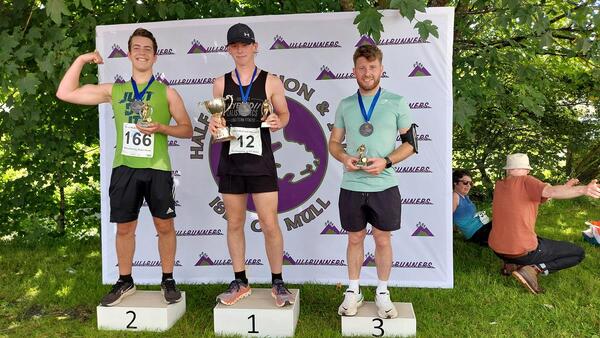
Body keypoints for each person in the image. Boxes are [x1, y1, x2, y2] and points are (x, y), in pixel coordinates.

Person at [56, 28, 193, 305]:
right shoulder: (115, 91)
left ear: (155, 56)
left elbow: (188, 130)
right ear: (129, 54)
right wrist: (82, 60)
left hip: (157, 169)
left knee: (164, 226)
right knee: (124, 229)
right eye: (137, 48)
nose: (142, 52)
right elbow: (65, 92)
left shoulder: (167, 93)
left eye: (147, 48)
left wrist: (162, 128)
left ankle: (167, 279)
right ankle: (125, 280)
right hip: (125, 168)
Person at [329, 45, 416, 319]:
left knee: (382, 239)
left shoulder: (397, 101)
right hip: (352, 185)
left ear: (381, 69)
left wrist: (387, 161)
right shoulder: (345, 104)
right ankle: (353, 290)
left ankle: (382, 291)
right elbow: (333, 142)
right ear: (354, 71)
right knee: (355, 238)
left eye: (372, 67)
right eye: (362, 68)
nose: (367, 73)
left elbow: (411, 144)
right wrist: (343, 157)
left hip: (384, 185)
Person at [208, 23, 292, 307]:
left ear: (255, 46)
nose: (240, 49)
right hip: (231, 163)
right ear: (229, 49)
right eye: (235, 45)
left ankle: (278, 282)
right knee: (234, 222)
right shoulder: (220, 82)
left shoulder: (271, 81)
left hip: (261, 163)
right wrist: (213, 123)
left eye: (245, 44)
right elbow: (216, 121)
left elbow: (284, 114)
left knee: (269, 223)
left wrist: (280, 121)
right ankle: (240, 280)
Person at [490, 153, 600, 294]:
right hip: (521, 251)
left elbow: (546, 194)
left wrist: (565, 188)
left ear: (508, 170)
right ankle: (533, 269)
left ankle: (510, 264)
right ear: (528, 170)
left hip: (497, 249)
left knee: (536, 238)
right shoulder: (527, 181)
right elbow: (551, 191)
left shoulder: (500, 185)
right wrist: (584, 189)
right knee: (578, 253)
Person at [452, 169, 492, 245]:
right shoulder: (455, 196)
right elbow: (447, 218)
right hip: (476, 234)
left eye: (470, 183)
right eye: (465, 182)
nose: (468, 185)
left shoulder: (465, 197)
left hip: (482, 228)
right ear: (455, 183)